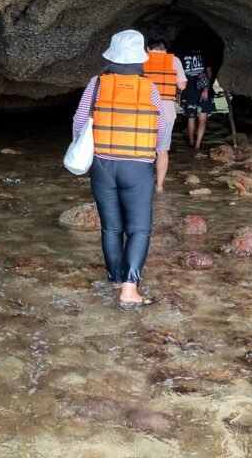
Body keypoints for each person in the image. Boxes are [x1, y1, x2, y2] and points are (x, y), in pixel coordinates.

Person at [72, 30, 167, 307]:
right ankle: (129, 288)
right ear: (140, 59)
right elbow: (160, 130)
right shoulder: (148, 87)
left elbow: (80, 121)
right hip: (137, 167)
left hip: (102, 165)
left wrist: (88, 152)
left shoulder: (97, 83)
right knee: (138, 229)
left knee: (111, 227)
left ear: (112, 56)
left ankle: (114, 279)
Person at [142, 38, 187, 193]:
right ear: (165, 50)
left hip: (142, 111)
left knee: (141, 148)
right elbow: (182, 85)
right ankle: (159, 186)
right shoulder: (174, 60)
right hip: (166, 111)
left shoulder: (141, 59)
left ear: (148, 48)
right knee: (162, 150)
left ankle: (141, 184)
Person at [180, 49, 213, 150]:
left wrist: (179, 93)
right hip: (204, 89)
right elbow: (209, 72)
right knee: (202, 119)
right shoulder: (204, 55)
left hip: (189, 90)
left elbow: (179, 76)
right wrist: (206, 89)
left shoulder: (182, 56)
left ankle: (191, 142)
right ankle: (197, 145)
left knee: (191, 118)